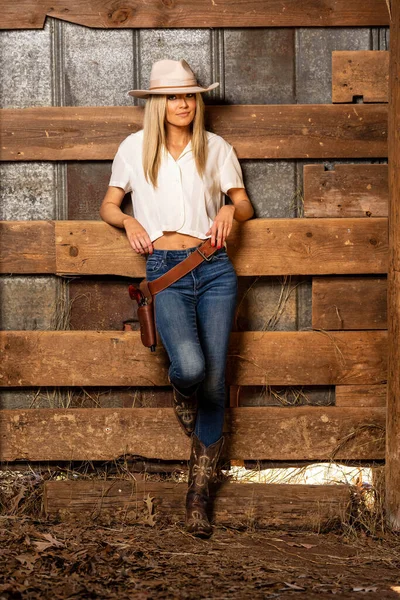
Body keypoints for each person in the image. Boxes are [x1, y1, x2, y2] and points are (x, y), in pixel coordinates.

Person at [99, 59, 254, 538]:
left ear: (198, 100)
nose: (183, 103)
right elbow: (108, 203)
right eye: (173, 96)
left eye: (189, 95)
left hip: (214, 269)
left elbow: (243, 202)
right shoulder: (133, 149)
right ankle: (181, 391)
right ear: (157, 104)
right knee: (190, 369)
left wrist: (230, 206)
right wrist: (127, 220)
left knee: (214, 379)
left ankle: (198, 495)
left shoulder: (218, 147)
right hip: (165, 272)